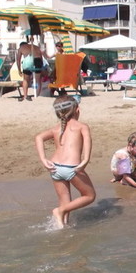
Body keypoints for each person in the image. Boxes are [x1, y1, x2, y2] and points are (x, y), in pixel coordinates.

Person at [34, 95, 96, 227]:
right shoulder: (82, 126)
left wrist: (43, 159)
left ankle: (62, 225)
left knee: (64, 200)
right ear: (77, 110)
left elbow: (38, 137)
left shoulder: (56, 128)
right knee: (89, 196)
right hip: (72, 168)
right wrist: (85, 160)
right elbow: (87, 144)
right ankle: (60, 211)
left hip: (54, 167)